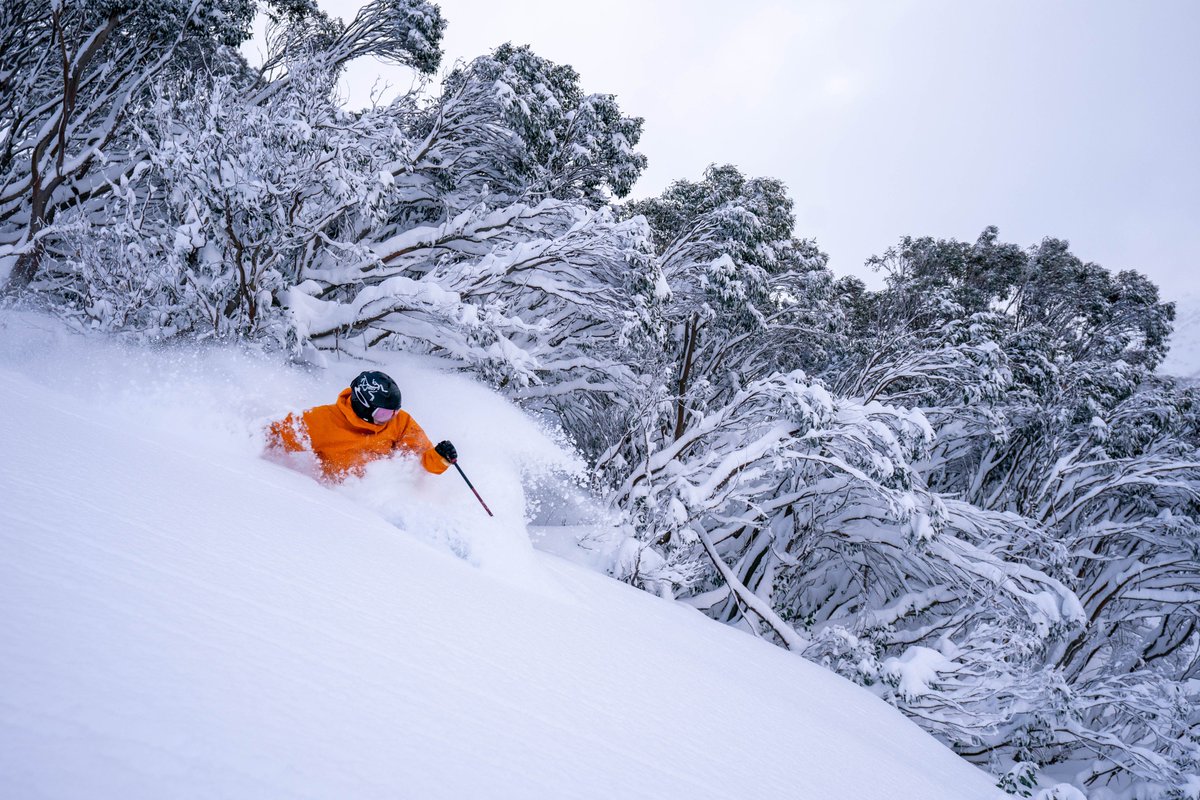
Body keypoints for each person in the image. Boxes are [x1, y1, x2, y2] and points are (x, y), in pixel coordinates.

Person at [266, 370, 457, 482]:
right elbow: (272, 435)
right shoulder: (322, 421)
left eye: (395, 412)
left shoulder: (400, 422)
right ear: (363, 405)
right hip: (339, 502)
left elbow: (421, 461)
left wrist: (440, 457)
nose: (391, 418)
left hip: (383, 496)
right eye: (383, 413)